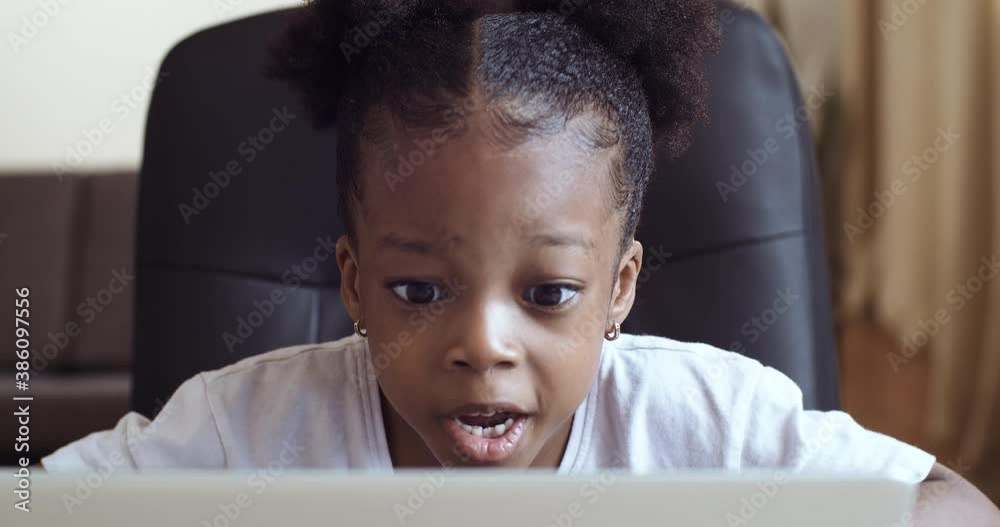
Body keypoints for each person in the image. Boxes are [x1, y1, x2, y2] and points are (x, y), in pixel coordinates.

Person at [44, 0, 999, 523]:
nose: (482, 343)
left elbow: (951, 506)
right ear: (351, 282)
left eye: (549, 293)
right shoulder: (241, 428)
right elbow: (40, 502)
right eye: (418, 289)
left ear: (619, 287)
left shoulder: (707, 418)